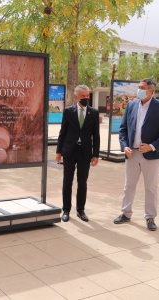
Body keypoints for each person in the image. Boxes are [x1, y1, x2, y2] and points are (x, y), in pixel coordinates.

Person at [114, 78, 159, 231]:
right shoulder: (131, 105)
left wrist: (152, 146)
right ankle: (126, 213)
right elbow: (123, 129)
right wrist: (124, 146)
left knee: (151, 187)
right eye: (138, 87)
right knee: (129, 185)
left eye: (142, 87)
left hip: (151, 155)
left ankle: (150, 217)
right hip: (132, 153)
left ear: (151, 90)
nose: (138, 90)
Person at [56, 85, 100, 222]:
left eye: (87, 96)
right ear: (76, 97)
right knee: (67, 181)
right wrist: (58, 151)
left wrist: (96, 154)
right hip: (70, 151)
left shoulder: (94, 113)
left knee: (82, 182)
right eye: (83, 96)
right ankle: (66, 210)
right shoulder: (68, 111)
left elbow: (96, 135)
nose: (86, 98)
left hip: (85, 153)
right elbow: (62, 132)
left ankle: (81, 210)